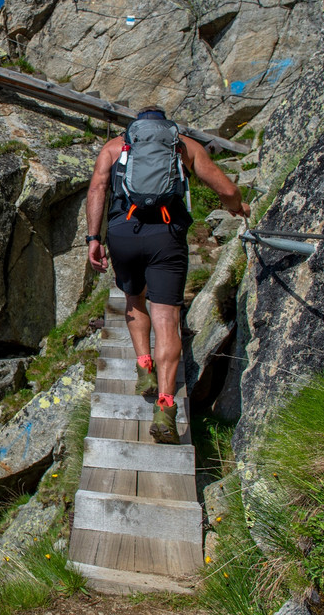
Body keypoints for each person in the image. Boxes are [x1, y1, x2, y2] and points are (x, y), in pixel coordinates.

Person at [85, 106, 250, 444]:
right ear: (165, 127)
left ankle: (143, 365)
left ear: (136, 129)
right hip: (166, 235)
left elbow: (97, 189)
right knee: (167, 316)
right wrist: (237, 207)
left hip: (123, 233)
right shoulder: (183, 146)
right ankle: (165, 405)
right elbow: (226, 189)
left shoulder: (115, 147)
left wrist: (93, 239)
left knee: (134, 299)